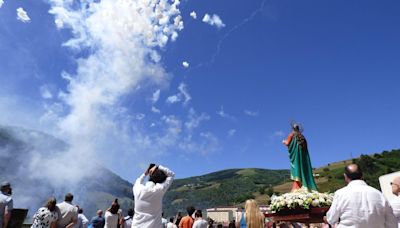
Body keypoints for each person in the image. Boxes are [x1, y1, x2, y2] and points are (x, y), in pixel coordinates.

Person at [325, 164, 397, 227]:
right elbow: (392, 222)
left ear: (345, 177)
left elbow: (331, 219)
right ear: (362, 175)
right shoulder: (379, 194)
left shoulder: (340, 194)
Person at [131, 163, 175, 228]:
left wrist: (146, 173)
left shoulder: (138, 189)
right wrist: (158, 167)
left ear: (150, 176)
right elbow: (171, 175)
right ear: (161, 181)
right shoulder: (158, 190)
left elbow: (138, 181)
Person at [282, 123, 318, 192]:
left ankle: (298, 187)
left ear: (293, 129)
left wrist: (283, 141)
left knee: (297, 169)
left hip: (296, 158)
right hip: (303, 159)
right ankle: (305, 186)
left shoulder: (291, 135)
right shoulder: (302, 137)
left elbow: (287, 143)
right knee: (302, 169)